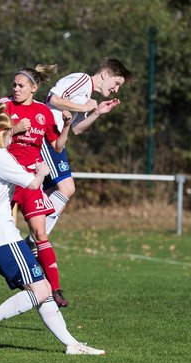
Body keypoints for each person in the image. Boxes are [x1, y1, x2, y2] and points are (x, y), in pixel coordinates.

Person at [0, 109, 105, 356]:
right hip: (2, 238)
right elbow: (32, 184)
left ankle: (71, 344)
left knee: (42, 290)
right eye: (11, 133)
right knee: (40, 290)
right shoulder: (0, 156)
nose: (13, 139)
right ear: (4, 133)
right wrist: (41, 171)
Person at [0, 65, 68, 310]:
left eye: (20, 85)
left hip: (29, 180)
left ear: (34, 88)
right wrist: (15, 130)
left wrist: (67, 125)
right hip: (4, 180)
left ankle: (55, 288)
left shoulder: (43, 112)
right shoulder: (4, 106)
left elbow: (57, 146)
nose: (15, 89)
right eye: (14, 85)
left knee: (40, 234)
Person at [41, 58, 131, 234]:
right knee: (67, 188)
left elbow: (76, 129)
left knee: (52, 191)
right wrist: (83, 108)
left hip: (59, 140)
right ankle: (39, 238)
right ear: (105, 74)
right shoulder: (82, 79)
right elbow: (53, 99)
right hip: (47, 135)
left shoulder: (87, 97)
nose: (116, 89)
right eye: (117, 83)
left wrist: (97, 112)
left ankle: (36, 234)